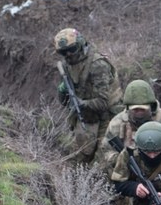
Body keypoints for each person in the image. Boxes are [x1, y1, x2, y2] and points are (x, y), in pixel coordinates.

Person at [53, 27, 124, 165]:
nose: (68, 55)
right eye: (63, 52)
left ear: (80, 45)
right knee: (76, 160)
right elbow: (64, 102)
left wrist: (81, 103)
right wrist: (62, 90)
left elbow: (103, 103)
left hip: (108, 117)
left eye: (72, 49)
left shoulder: (98, 65)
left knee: (102, 162)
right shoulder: (67, 66)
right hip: (87, 117)